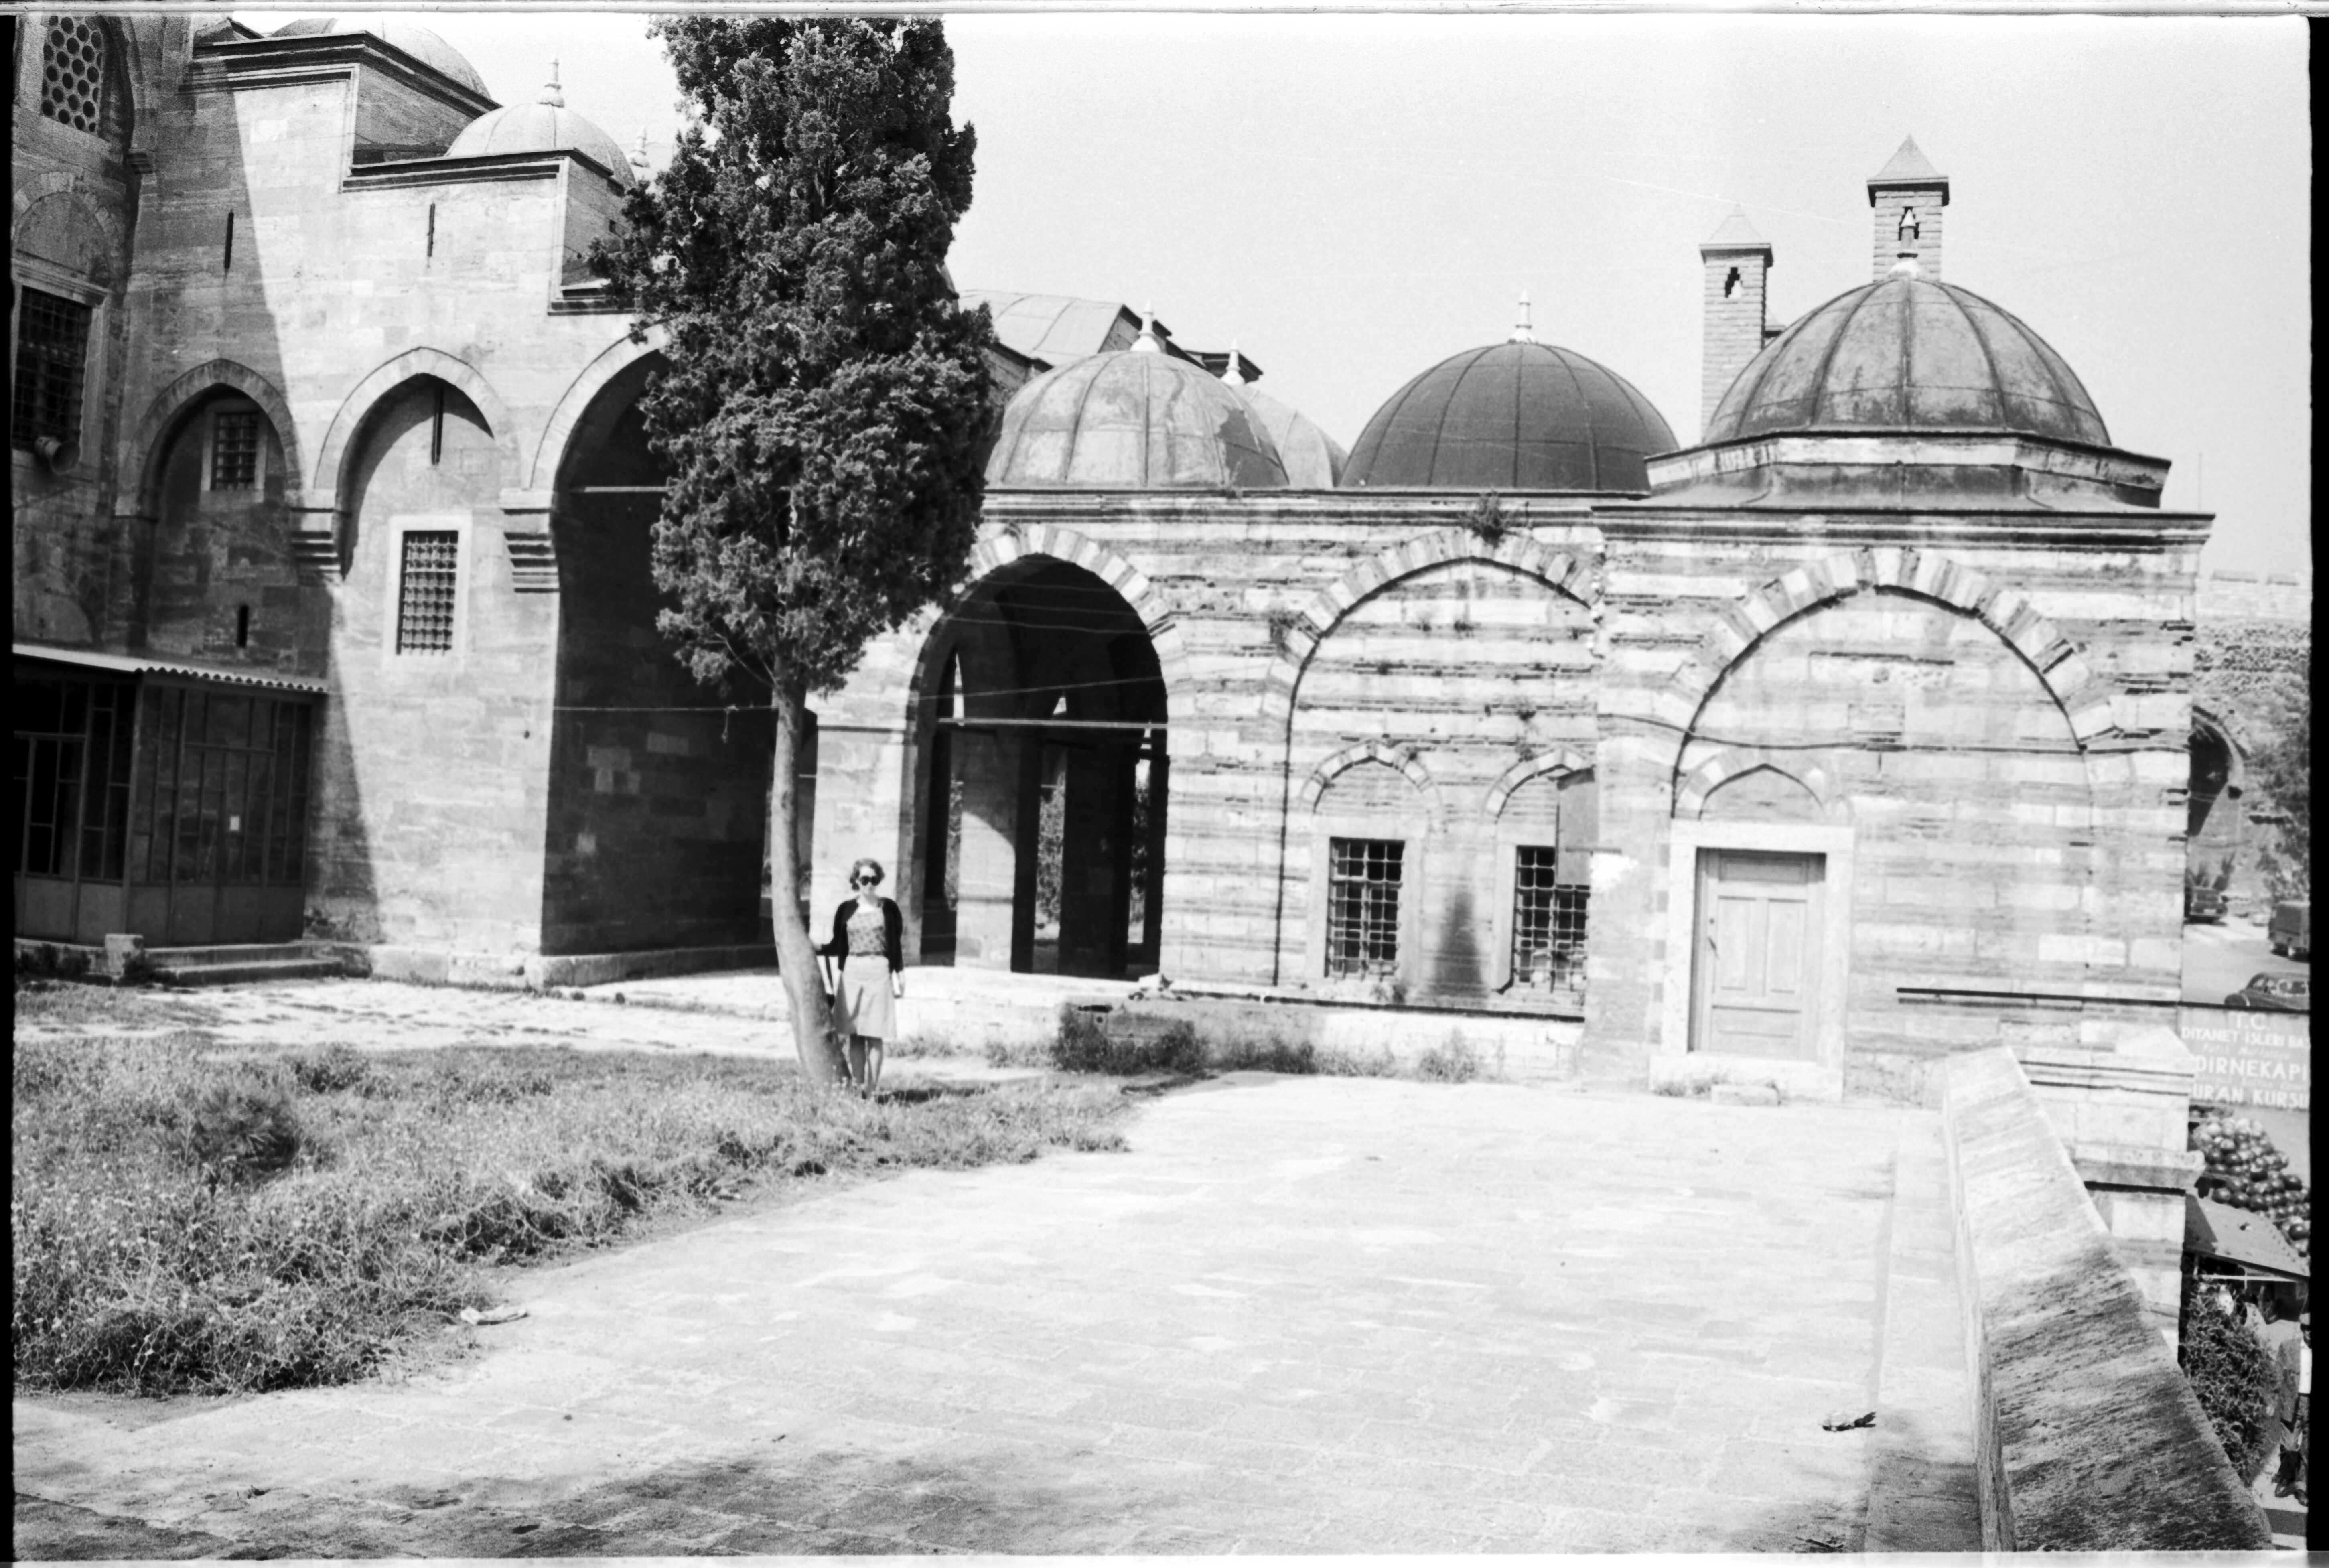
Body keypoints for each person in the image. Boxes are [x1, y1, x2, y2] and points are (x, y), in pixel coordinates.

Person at [818, 856, 904, 1099]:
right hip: (853, 972)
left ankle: (872, 1091)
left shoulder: (889, 908)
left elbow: (895, 944)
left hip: (878, 969)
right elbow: (838, 944)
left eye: (874, 880)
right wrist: (817, 947)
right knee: (854, 1034)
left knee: (875, 1035)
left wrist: (899, 973)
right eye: (865, 879)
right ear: (856, 880)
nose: (869, 884)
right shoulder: (846, 909)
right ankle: (858, 1090)